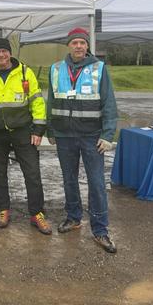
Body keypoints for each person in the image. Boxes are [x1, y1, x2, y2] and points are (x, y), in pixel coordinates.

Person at [47, 27, 118, 253]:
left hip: (91, 137)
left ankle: (100, 230)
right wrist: (51, 129)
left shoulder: (99, 69)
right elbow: (51, 100)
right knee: (69, 180)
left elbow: (109, 103)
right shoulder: (56, 69)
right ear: (68, 45)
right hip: (64, 136)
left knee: (96, 183)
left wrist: (107, 135)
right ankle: (73, 217)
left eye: (82, 43)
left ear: (87, 46)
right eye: (74, 42)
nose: (78, 46)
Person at [0, 38, 52, 235]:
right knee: (0, 174)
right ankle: (3, 210)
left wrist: (38, 130)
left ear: (10, 53)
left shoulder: (25, 73)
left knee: (32, 173)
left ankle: (37, 214)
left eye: (4, 51)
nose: (1, 55)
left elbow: (37, 102)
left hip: (23, 131)